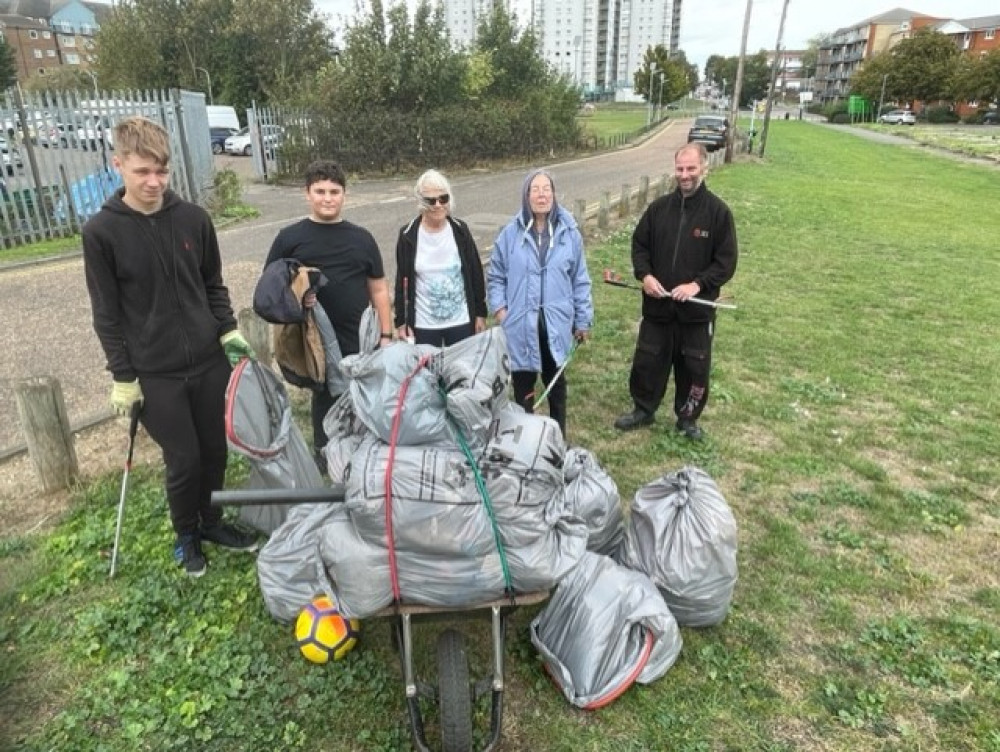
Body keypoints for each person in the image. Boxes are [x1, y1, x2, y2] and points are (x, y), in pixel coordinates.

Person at [83, 116, 258, 577]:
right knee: (184, 459)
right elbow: (107, 312)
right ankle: (186, 535)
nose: (154, 182)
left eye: (162, 171)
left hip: (207, 361)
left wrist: (226, 329)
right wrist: (123, 375)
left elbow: (212, 284)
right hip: (155, 371)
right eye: (142, 172)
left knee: (216, 451)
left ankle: (212, 522)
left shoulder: (193, 219)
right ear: (118, 165)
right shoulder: (101, 233)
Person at [264, 159, 393, 462]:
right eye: (320, 191)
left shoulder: (361, 238)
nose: (327, 198)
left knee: (364, 394)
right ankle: (325, 455)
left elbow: (378, 289)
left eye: (334, 191)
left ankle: (366, 454)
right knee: (325, 396)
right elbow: (271, 287)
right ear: (307, 194)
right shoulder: (290, 238)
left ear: (344, 195)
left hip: (359, 334)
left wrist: (386, 334)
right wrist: (297, 299)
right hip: (315, 341)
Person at [614, 142, 738, 439]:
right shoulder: (658, 210)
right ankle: (643, 409)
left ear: (704, 168)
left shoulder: (718, 213)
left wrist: (697, 284)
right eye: (680, 169)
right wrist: (645, 276)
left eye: (691, 168)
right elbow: (640, 246)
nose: (684, 175)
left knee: (694, 367)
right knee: (648, 360)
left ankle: (688, 418)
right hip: (658, 308)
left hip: (695, 311)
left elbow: (726, 262)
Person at [488, 169, 593, 437]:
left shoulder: (569, 233)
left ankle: (559, 439)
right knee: (524, 387)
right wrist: (501, 312)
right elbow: (496, 275)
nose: (542, 194)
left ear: (554, 194)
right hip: (521, 325)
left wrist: (582, 319)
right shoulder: (510, 235)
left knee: (556, 385)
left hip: (556, 324)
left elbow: (579, 278)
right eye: (535, 189)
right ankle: (526, 441)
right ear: (526, 196)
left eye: (547, 188)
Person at [394, 169, 486, 346]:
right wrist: (401, 321)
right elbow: (402, 282)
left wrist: (480, 313)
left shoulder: (461, 231)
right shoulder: (407, 235)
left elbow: (475, 274)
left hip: (461, 321)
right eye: (431, 200)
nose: (438, 205)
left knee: (461, 372)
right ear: (421, 202)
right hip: (424, 325)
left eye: (443, 198)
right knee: (427, 373)